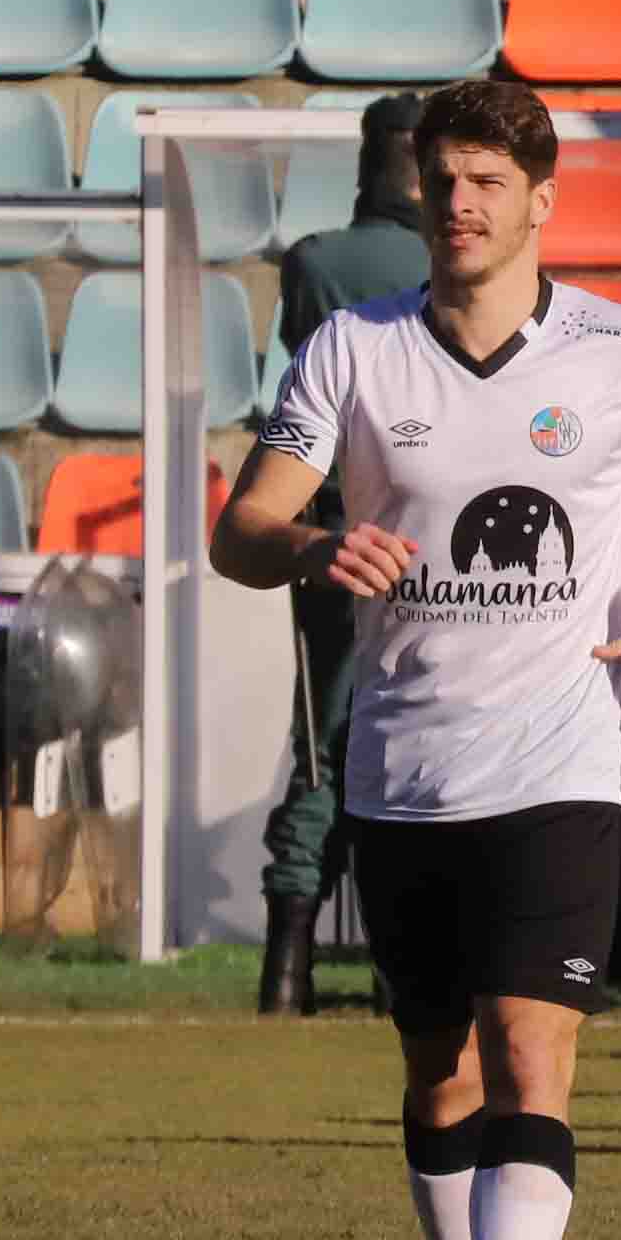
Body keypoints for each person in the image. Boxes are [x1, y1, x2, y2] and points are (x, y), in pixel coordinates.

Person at [211, 80, 621, 1240]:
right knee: (437, 1072)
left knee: (535, 1052)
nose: (459, 206)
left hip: (560, 757)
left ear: (541, 205)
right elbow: (244, 527)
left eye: (485, 184)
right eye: (442, 181)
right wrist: (315, 540)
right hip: (403, 770)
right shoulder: (353, 350)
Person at [251, 92, 435, 1018]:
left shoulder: (314, 262)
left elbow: (303, 387)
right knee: (422, 740)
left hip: (328, 539)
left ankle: (287, 972)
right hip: (433, 551)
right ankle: (408, 974)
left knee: (324, 748)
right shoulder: (453, 263)